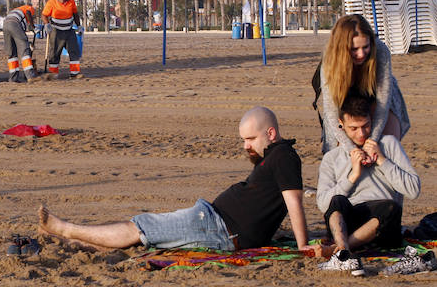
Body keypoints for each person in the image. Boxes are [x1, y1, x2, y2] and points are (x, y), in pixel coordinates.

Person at [38, 107, 313, 252]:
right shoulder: (277, 157)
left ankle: (66, 229)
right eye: (243, 140)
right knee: (147, 232)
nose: (245, 146)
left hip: (216, 227)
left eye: (251, 139)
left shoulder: (284, 157)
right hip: (214, 222)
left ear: (272, 133)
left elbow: (293, 203)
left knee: (141, 227)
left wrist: (302, 245)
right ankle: (75, 236)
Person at [315, 93, 420, 274]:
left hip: (382, 225)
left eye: (366, 126)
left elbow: (413, 190)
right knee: (336, 200)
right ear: (341, 124)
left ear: (372, 120)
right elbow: (324, 205)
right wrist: (353, 176)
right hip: (348, 220)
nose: (361, 134)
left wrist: (383, 160)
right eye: (354, 128)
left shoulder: (388, 144)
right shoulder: (332, 158)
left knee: (391, 208)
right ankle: (342, 250)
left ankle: (339, 252)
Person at [317, 14, 410, 154]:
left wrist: (372, 141)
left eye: (365, 47)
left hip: (376, 98)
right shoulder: (329, 61)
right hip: (344, 102)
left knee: (389, 146)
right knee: (337, 153)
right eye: (354, 49)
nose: (361, 54)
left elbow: (382, 104)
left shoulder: (381, 51)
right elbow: (331, 111)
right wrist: (351, 149)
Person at [42, 0, 83, 79]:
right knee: (55, 53)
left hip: (69, 30)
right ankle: (53, 74)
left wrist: (79, 26)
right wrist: (46, 24)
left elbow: (75, 14)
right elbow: (44, 15)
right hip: (56, 31)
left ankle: (75, 74)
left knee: (74, 51)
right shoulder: (51, 2)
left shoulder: (71, 2)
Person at [2, 4, 37, 82]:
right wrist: (33, 26)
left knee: (12, 53)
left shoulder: (16, 10)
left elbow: (19, 36)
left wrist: (28, 42)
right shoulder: (29, 8)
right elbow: (28, 12)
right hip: (14, 23)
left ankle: (13, 78)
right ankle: (30, 76)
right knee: (24, 50)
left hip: (5, 25)